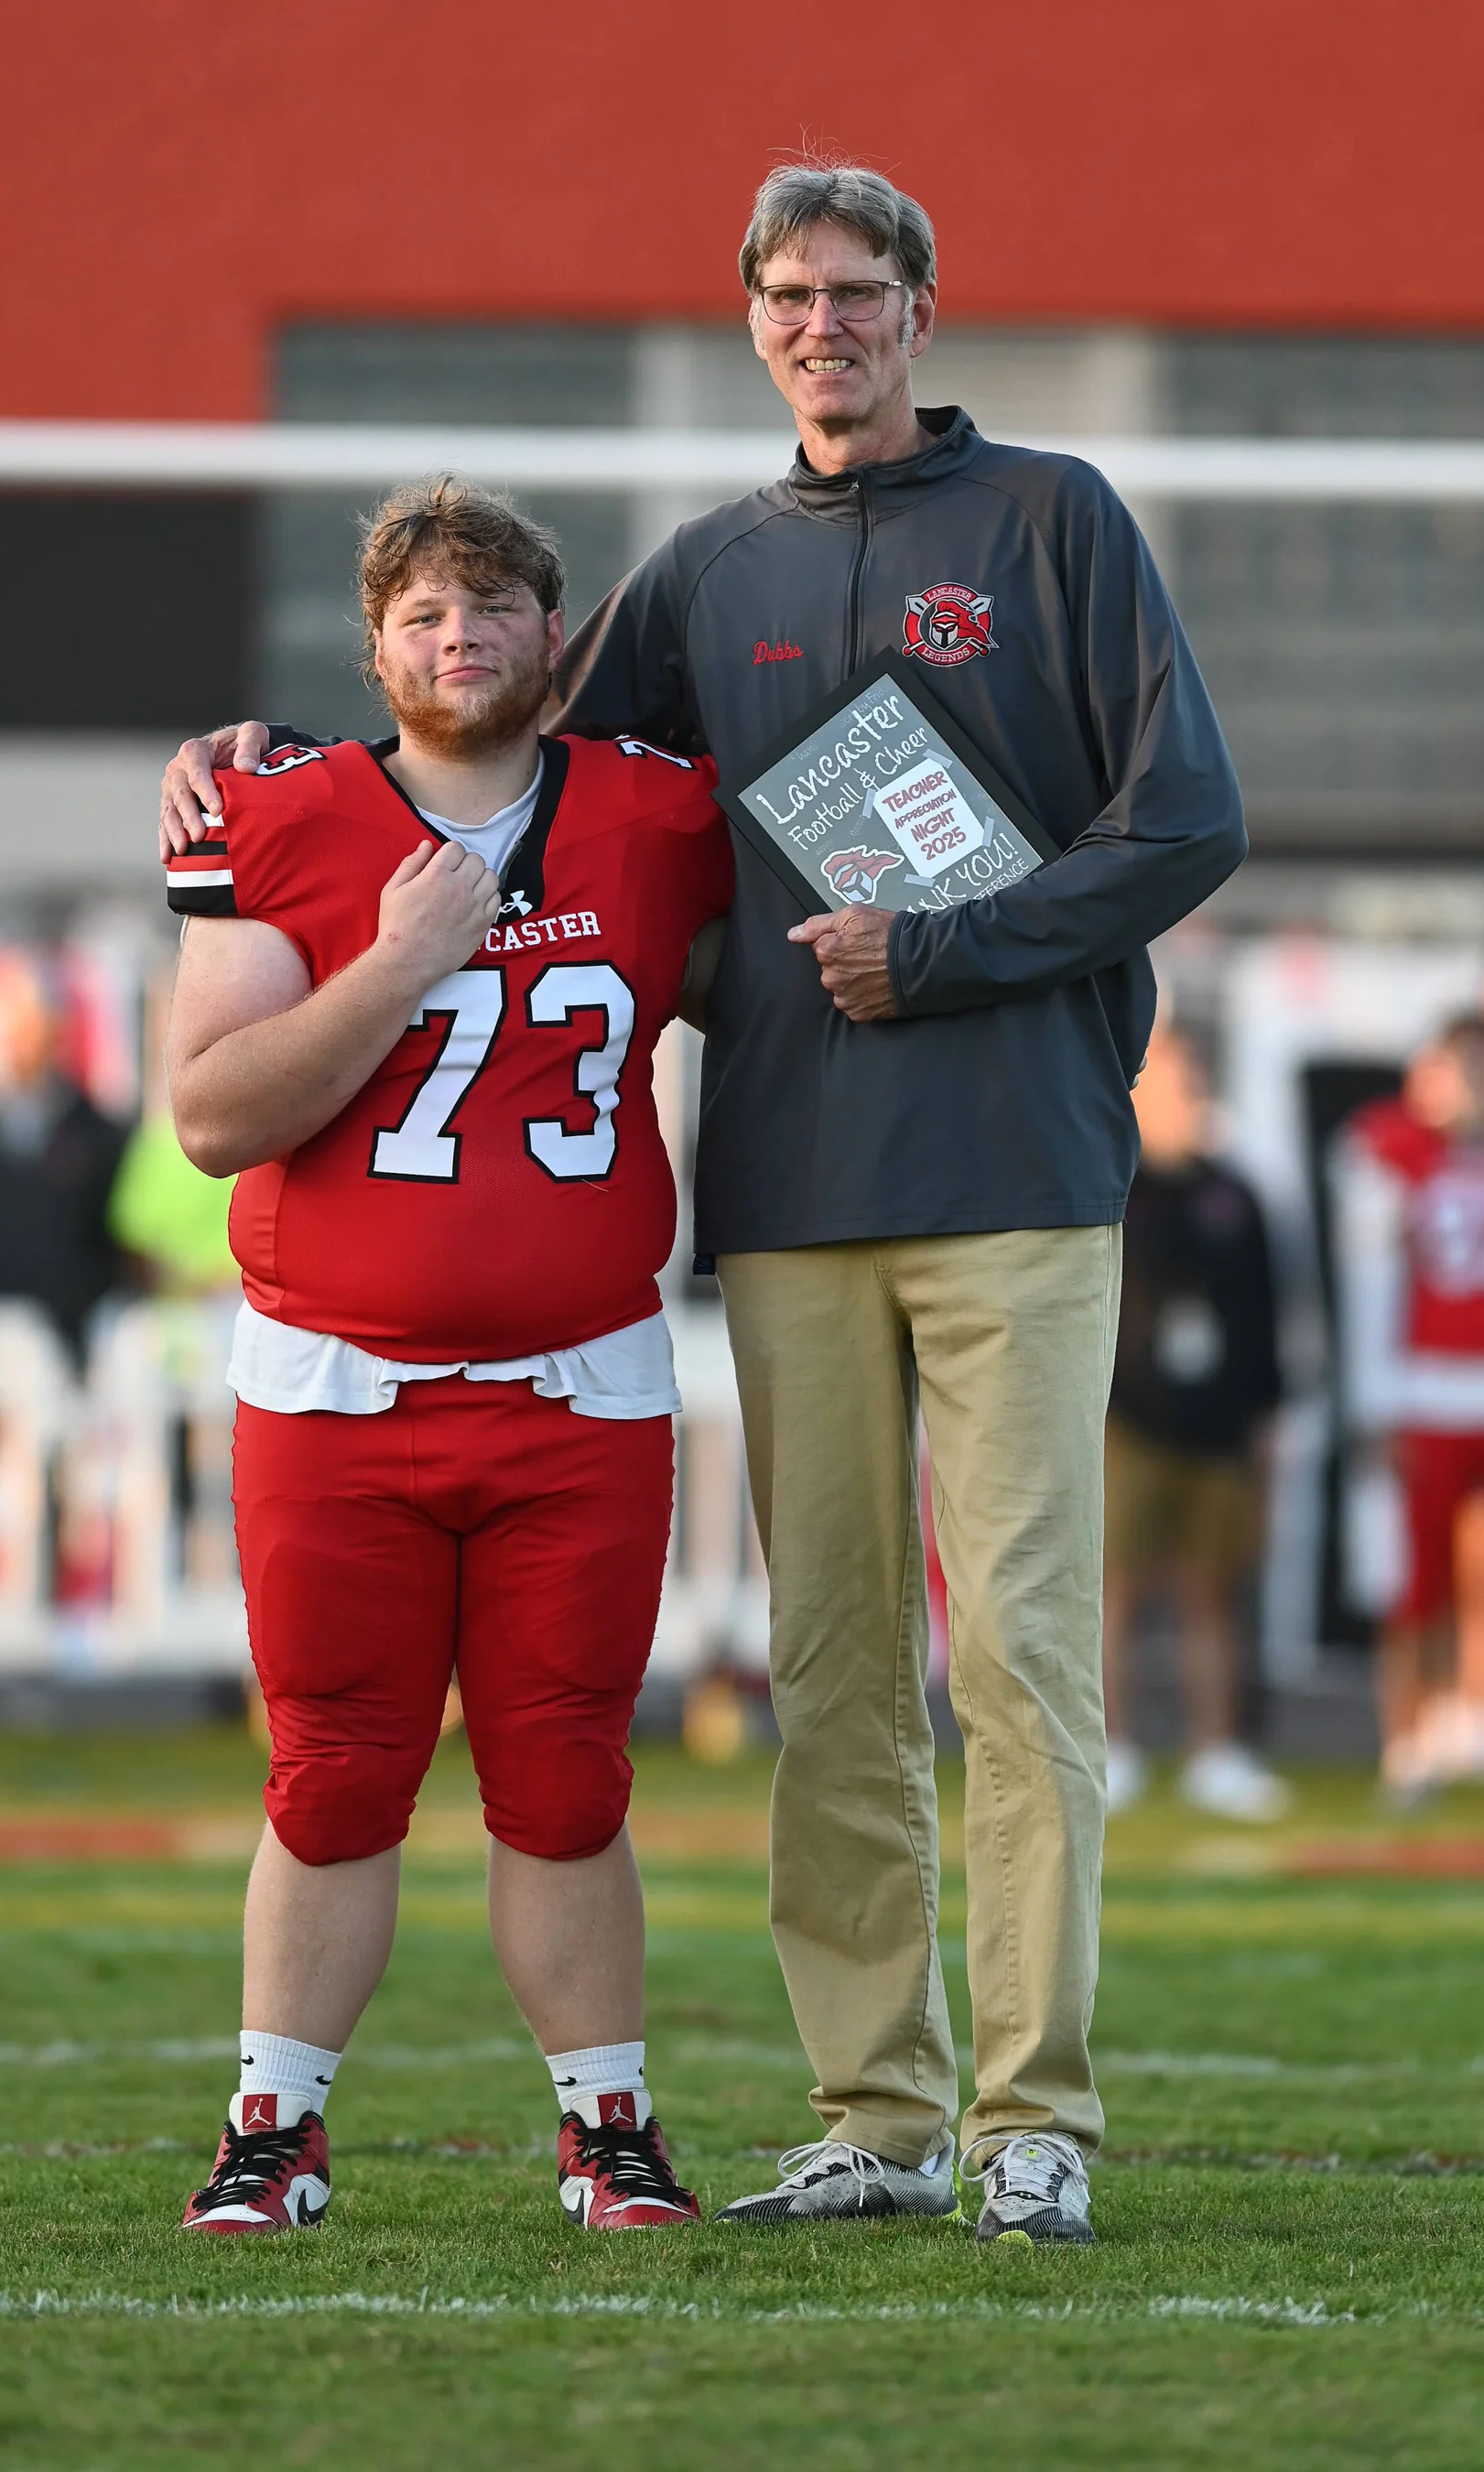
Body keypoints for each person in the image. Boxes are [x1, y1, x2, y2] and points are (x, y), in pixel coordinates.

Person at [162, 161, 1246, 2245]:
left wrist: (944, 955)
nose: (820, 323)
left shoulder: (1054, 520)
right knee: (835, 1663)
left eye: (855, 290)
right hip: (791, 1185)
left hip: (1018, 1158)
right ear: (756, 323)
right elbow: (492, 756)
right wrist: (254, 764)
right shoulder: (705, 565)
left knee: (1016, 1653)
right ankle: (879, 2110)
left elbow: (1182, 816)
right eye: (786, 296)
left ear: (918, 309)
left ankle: (1035, 2113)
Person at [164, 477, 731, 2235]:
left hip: (579, 1381)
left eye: (491, 608)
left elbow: (798, 957)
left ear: (555, 641)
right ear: (373, 645)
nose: (457, 636)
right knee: (335, 1768)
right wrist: (403, 963)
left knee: (566, 1774)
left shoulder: (654, 816)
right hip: (338, 1382)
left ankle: (610, 2130)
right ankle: (273, 2127)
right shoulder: (280, 814)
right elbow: (211, 1115)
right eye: (422, 613)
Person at [1101, 1025, 1288, 1821]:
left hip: (1217, 1429)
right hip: (1129, 1422)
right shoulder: (1113, 1187)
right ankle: (1114, 1749)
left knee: (1211, 1592)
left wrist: (1266, 1418)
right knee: (1113, 1593)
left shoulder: (1234, 1194)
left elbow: (1265, 1315)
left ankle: (1218, 1751)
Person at [1335, 1013, 1484, 1800]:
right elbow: (1369, 1285)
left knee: (1477, 1567)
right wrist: (1375, 1401)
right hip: (1422, 1388)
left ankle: (1467, 1714)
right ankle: (1407, 1732)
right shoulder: (1389, 1150)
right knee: (1413, 1576)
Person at [0, 955, 130, 1361]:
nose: (30, 1042)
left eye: (41, 1028)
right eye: (19, 1027)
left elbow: (112, 1241)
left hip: (63, 1345)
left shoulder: (97, 1133)